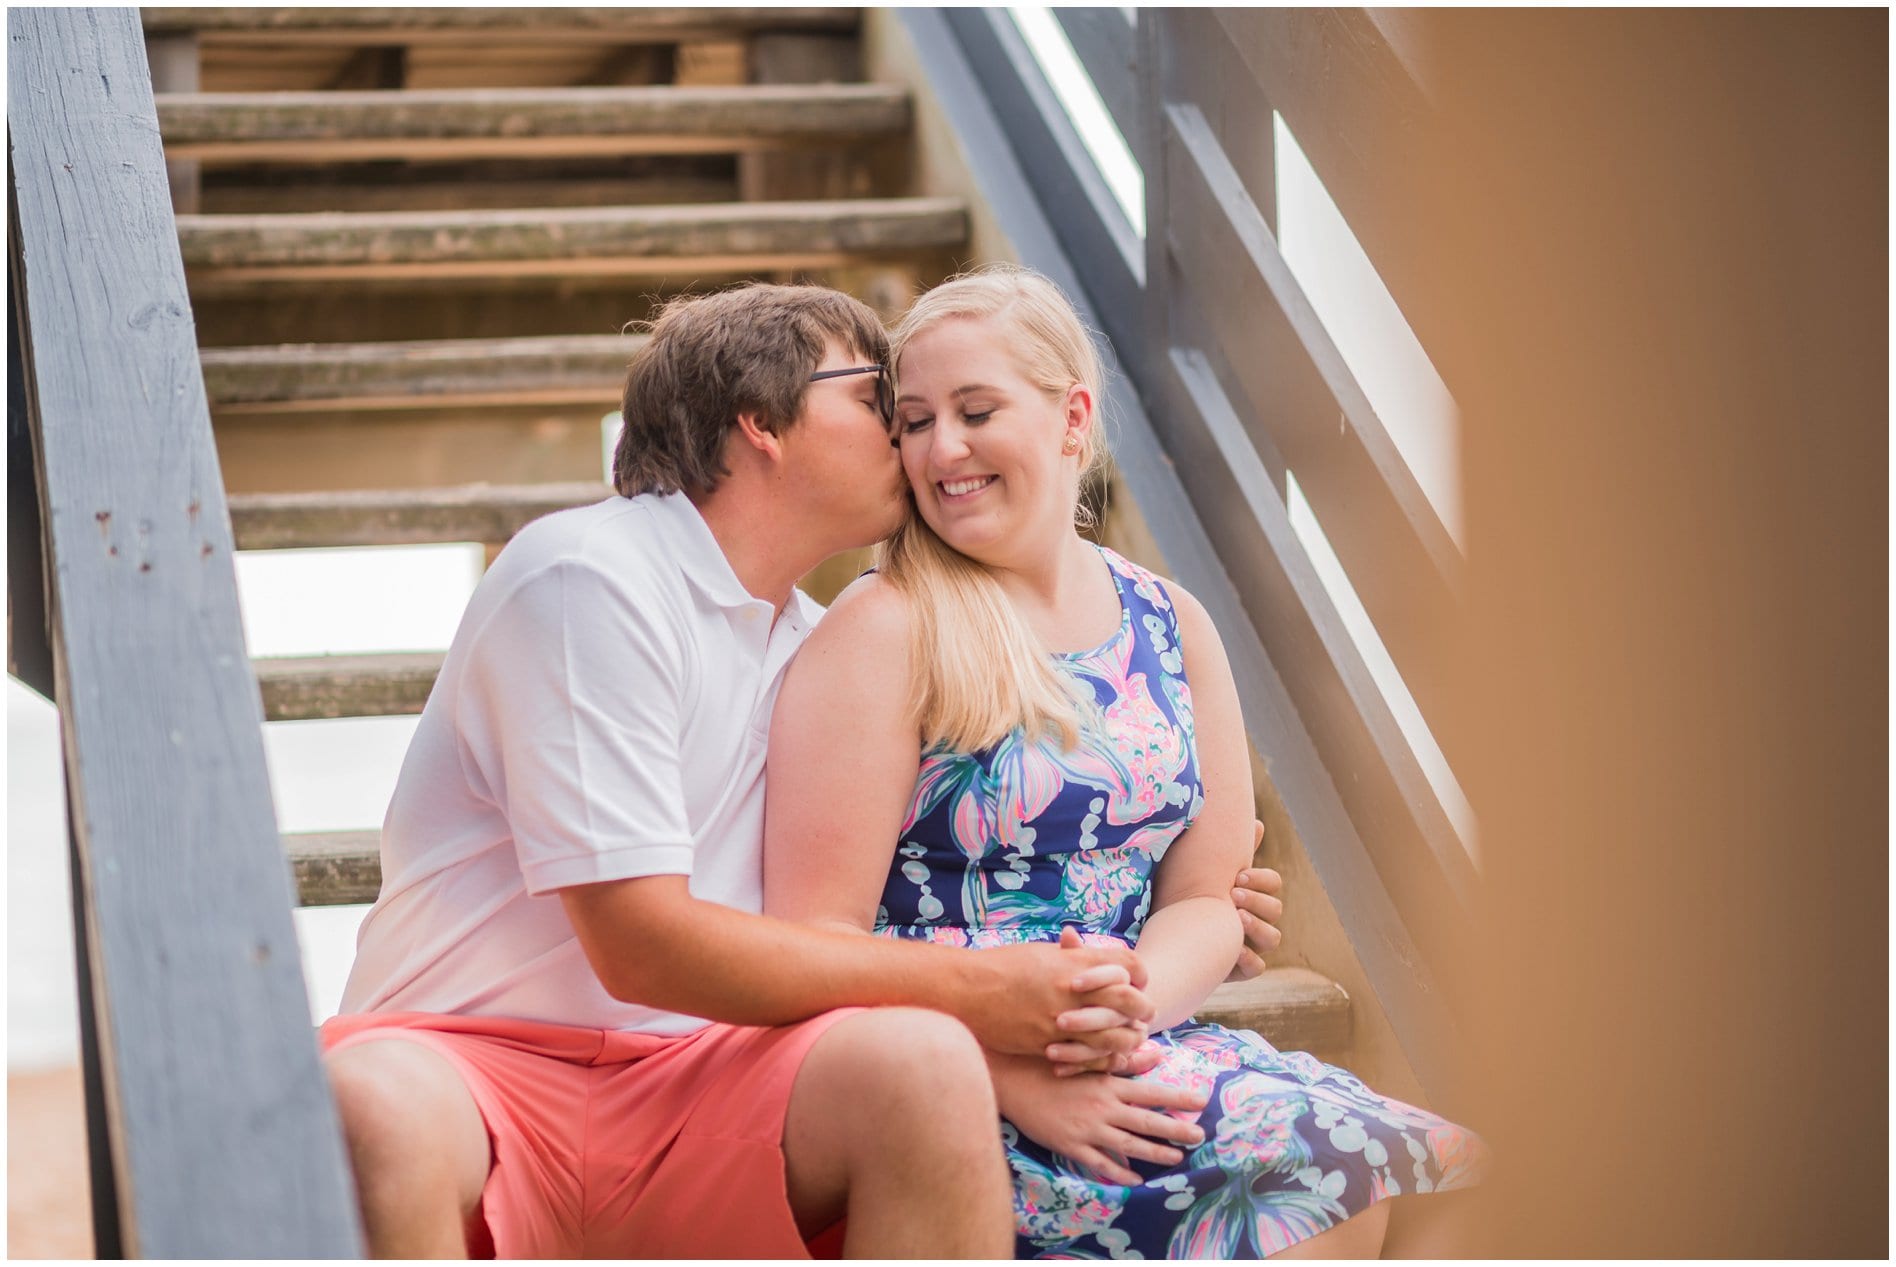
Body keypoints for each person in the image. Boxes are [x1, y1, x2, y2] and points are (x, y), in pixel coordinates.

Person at [319, 281, 1285, 1259]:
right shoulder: (590, 580)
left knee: (919, 1064)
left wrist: (1192, 906)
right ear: (761, 423)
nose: (919, 445)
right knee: (377, 1106)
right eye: (884, 404)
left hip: (699, 1071)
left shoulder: (808, 642)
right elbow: (642, 944)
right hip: (475, 1059)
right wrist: (995, 996)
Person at [763, 265, 1490, 1259]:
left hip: (1139, 1038)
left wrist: (1123, 1014)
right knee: (1330, 1188)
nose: (944, 449)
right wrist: (1020, 1068)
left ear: (1072, 419)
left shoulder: (1173, 620)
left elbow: (1207, 897)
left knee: (1466, 1184)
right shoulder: (885, 630)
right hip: (956, 1073)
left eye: (977, 410)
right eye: (916, 420)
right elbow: (808, 937)